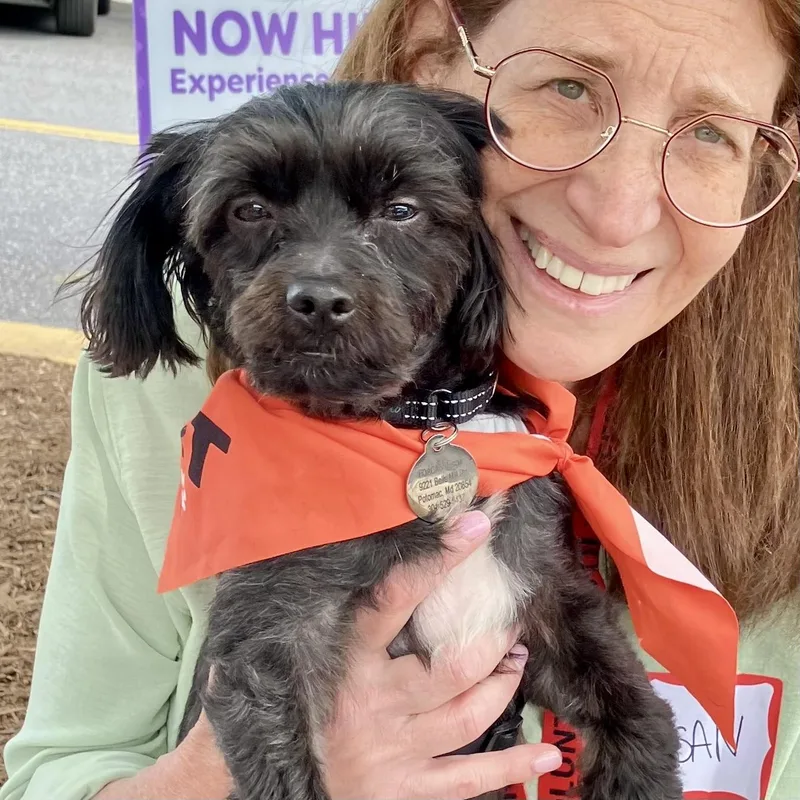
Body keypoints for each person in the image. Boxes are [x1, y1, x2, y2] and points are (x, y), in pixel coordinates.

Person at [2, 0, 798, 797]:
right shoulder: (178, 393)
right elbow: (62, 765)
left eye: (709, 132)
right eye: (567, 86)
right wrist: (222, 778)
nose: (617, 213)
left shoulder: (775, 437)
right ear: (428, 59)